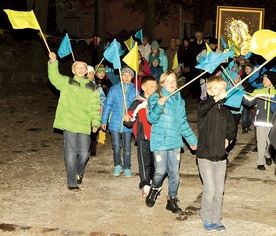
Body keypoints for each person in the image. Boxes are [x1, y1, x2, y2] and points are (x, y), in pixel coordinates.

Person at [145, 70, 197, 214]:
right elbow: (151, 119)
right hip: (160, 141)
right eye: (167, 81)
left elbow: (183, 122)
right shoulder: (155, 97)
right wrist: (159, 105)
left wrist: (192, 140)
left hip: (174, 142)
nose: (171, 83)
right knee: (160, 171)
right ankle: (155, 189)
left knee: (175, 173)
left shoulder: (179, 100)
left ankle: (172, 199)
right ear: (161, 84)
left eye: (173, 80)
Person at [48, 52, 100, 192]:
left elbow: (96, 107)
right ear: (73, 70)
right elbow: (54, 77)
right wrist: (53, 62)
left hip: (84, 124)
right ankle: (71, 182)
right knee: (70, 153)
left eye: (83, 67)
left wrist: (95, 122)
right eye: (78, 67)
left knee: (84, 153)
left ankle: (78, 172)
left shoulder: (93, 88)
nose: (81, 69)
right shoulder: (66, 82)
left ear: (86, 70)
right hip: (69, 123)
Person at [197, 76, 236, 232]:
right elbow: (201, 109)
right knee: (210, 189)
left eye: (222, 88)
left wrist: (229, 138)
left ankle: (216, 218)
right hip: (205, 155)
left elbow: (232, 129)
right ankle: (205, 216)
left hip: (221, 156)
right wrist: (214, 99)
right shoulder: (204, 108)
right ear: (208, 91)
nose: (220, 91)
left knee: (219, 190)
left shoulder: (226, 111)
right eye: (216, 88)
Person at [123, 75, 157, 198]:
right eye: (151, 86)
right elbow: (131, 117)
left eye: (155, 86)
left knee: (155, 161)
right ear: (143, 87)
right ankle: (145, 183)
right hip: (143, 135)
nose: (154, 88)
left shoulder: (157, 101)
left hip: (156, 136)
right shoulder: (138, 102)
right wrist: (127, 120)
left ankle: (153, 180)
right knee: (144, 160)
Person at [101, 66, 136, 177]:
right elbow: (108, 105)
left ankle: (127, 166)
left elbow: (138, 107)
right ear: (121, 76)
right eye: (124, 74)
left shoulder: (135, 90)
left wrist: (133, 119)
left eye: (129, 75)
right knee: (116, 145)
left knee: (127, 147)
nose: (126, 77)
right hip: (115, 122)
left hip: (128, 124)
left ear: (132, 77)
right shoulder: (114, 89)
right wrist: (104, 120)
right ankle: (117, 164)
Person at [242, 71, 276, 170]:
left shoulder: (275, 94)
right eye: (263, 79)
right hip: (260, 121)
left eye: (266, 79)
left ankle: (268, 155)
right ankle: (260, 162)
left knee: (270, 143)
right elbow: (248, 102)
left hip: (272, 123)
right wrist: (242, 94)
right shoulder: (258, 92)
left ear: (272, 81)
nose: (263, 81)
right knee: (261, 142)